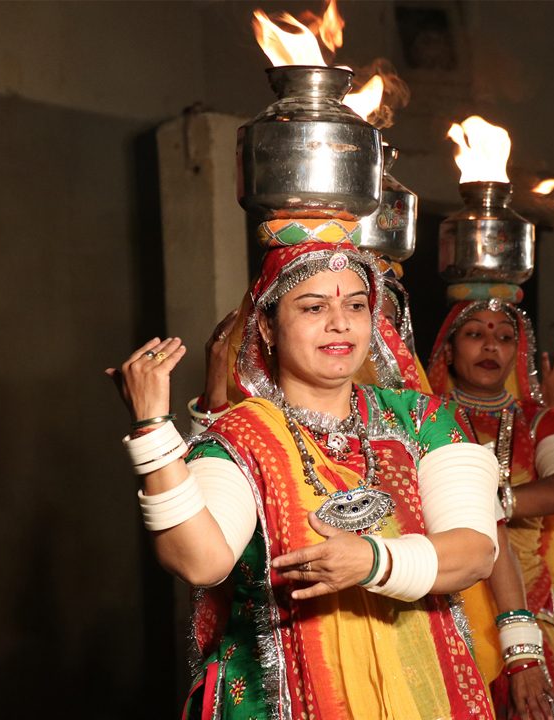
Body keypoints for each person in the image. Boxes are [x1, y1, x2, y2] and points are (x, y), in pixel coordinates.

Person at [109, 222, 500, 719]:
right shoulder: (240, 435)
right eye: (314, 307)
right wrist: (152, 430)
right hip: (279, 699)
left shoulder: (422, 420)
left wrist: (372, 561)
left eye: (356, 305)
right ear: (268, 327)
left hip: (423, 690)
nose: (340, 323)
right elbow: (200, 562)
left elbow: (474, 553)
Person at [427, 299, 554, 719]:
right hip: (446, 607)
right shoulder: (426, 416)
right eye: (475, 334)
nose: (490, 347)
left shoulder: (541, 421)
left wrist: (483, 503)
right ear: (447, 350)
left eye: (503, 337)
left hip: (529, 608)